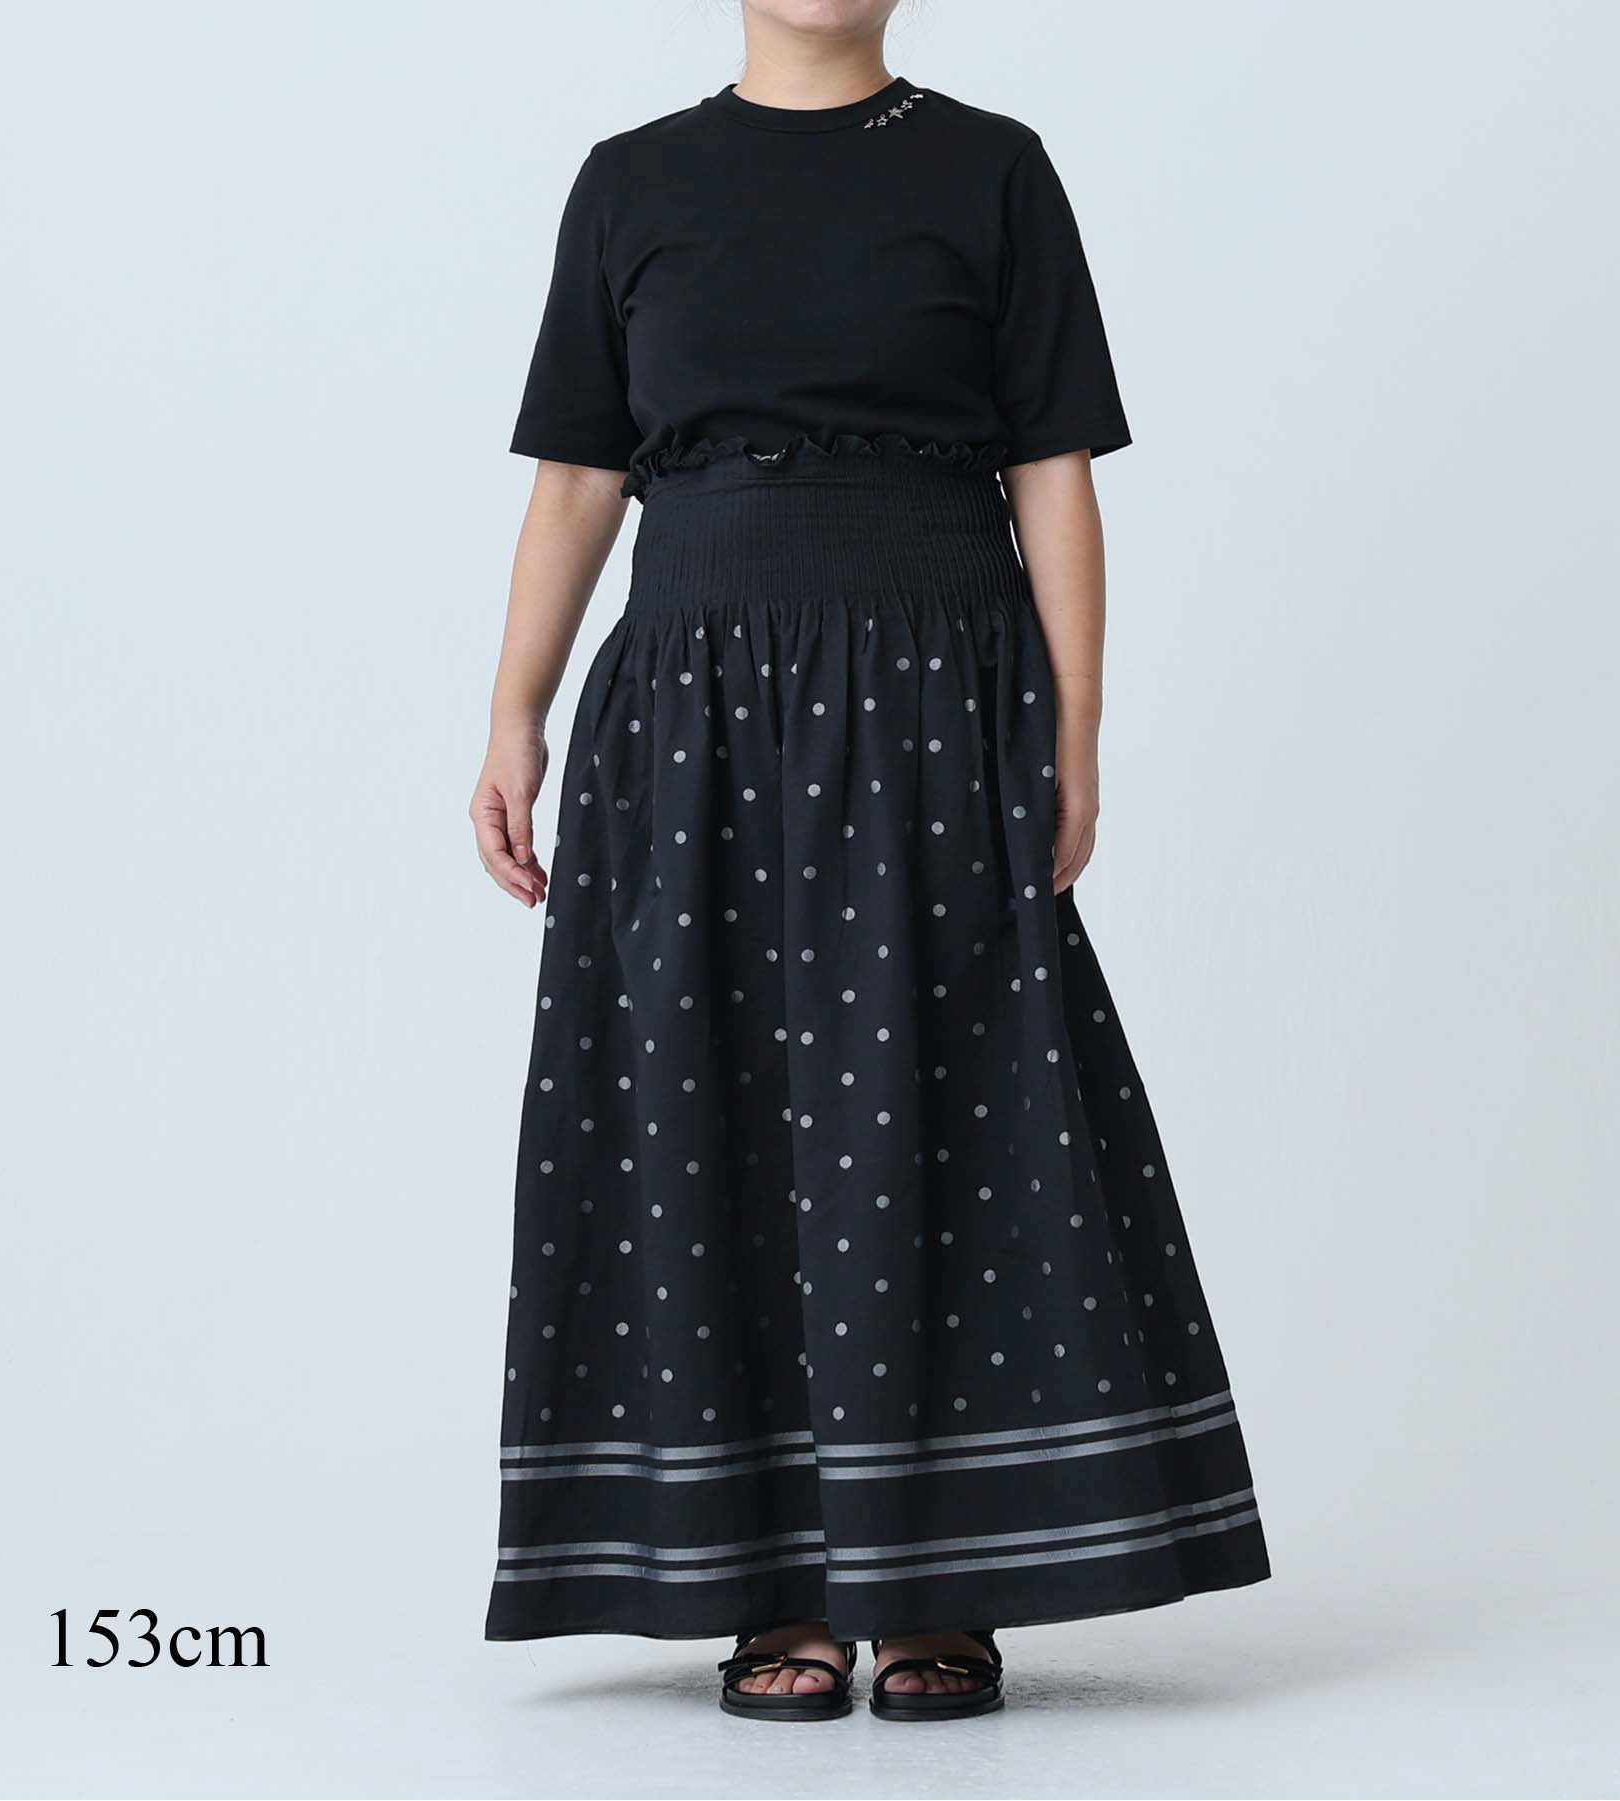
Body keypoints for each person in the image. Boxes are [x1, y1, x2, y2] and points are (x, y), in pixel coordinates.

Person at [471, 0, 1269, 1722]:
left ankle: (935, 1578)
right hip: (688, 697)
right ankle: (771, 1578)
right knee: (705, 1103)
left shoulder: (992, 169)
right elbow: (579, 476)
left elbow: (1051, 470)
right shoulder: (631, 181)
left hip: (931, 687)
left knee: (948, 1103)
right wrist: (513, 716)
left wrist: (1075, 733)